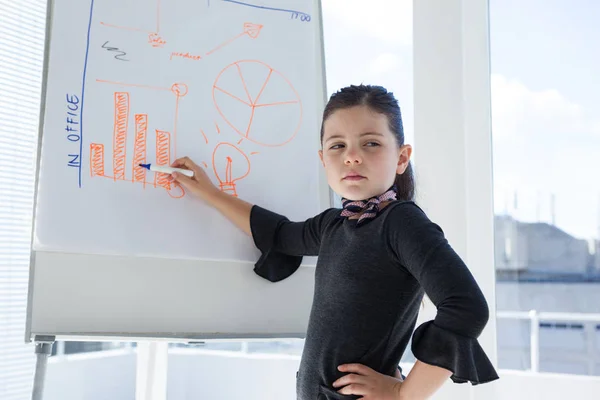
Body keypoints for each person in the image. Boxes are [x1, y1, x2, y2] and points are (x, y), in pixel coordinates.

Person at [171, 84, 499, 400]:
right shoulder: (334, 226)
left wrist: (404, 393)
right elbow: (279, 234)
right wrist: (210, 193)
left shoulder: (401, 223)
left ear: (401, 158)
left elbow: (466, 308)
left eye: (370, 143)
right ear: (323, 158)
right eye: (337, 145)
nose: (352, 157)